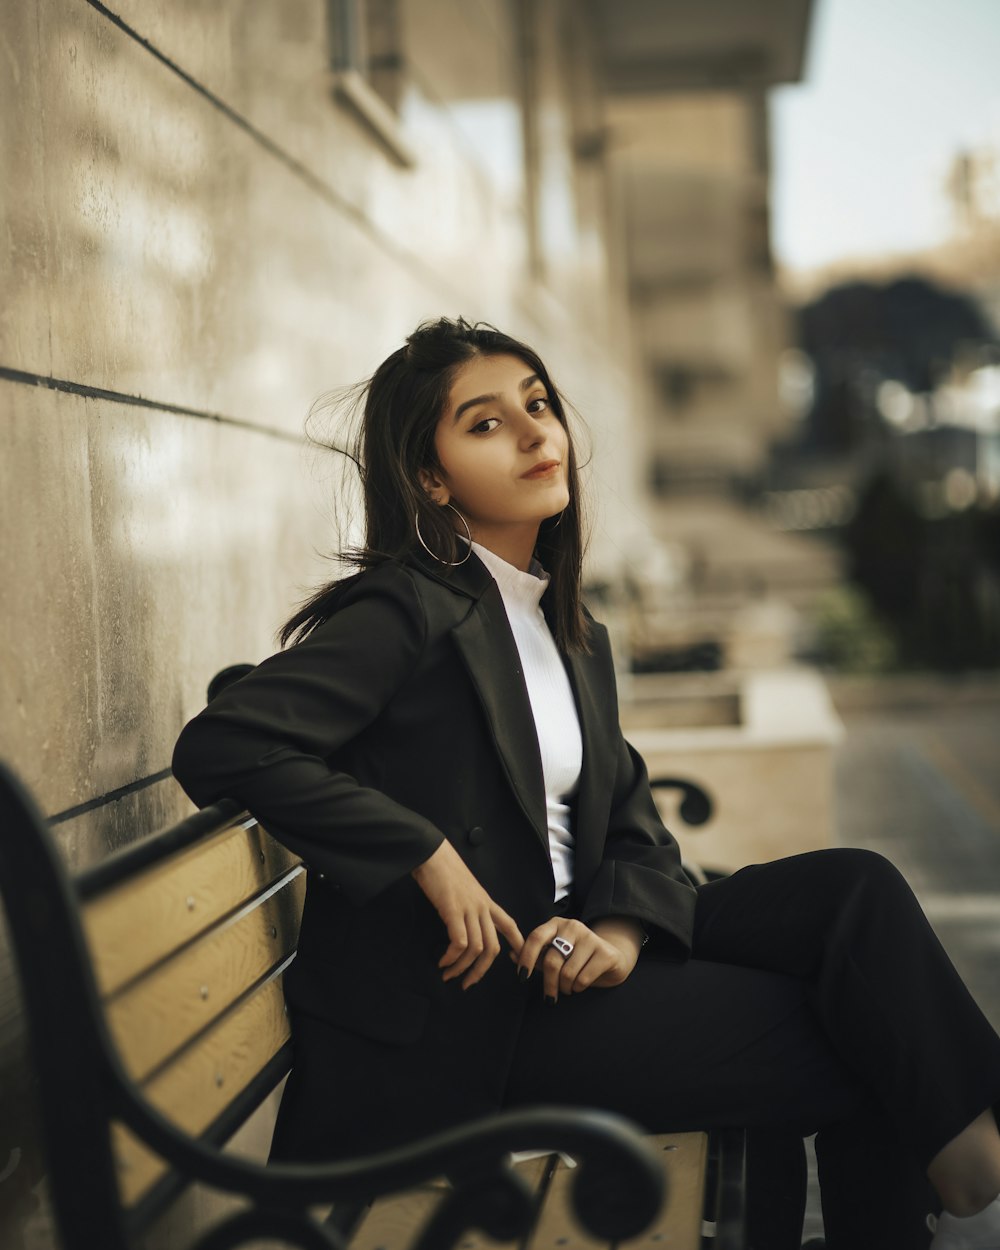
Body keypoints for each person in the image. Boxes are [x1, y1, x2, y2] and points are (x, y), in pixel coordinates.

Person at [171, 317, 1000, 1250]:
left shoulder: (567, 627)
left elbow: (633, 818)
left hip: (570, 944)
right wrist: (425, 854)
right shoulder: (406, 609)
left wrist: (619, 924)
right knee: (852, 1044)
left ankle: (963, 1145)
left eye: (538, 406)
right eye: (485, 424)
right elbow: (227, 740)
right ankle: (949, 1163)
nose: (535, 435)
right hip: (480, 1018)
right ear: (431, 480)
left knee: (855, 887)